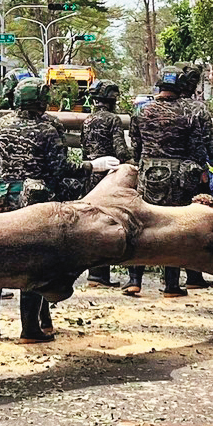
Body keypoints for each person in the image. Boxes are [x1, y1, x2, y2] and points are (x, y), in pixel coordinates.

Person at [0, 77, 115, 341]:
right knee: (35, 264)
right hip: (34, 202)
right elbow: (62, 169)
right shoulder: (45, 130)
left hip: (2, 197)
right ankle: (31, 329)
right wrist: (93, 166)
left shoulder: (1, 126)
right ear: (41, 101)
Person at [126, 64, 213, 297]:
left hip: (148, 174)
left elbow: (135, 148)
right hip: (181, 176)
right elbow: (205, 145)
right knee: (177, 228)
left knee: (141, 225)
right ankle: (172, 285)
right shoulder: (193, 110)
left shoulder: (140, 111)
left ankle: (134, 280)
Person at [79, 81, 130, 286]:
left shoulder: (87, 120)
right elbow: (120, 151)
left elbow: (84, 149)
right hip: (109, 175)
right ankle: (102, 275)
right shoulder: (113, 120)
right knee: (110, 222)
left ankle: (94, 274)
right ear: (111, 99)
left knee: (92, 223)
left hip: (91, 173)